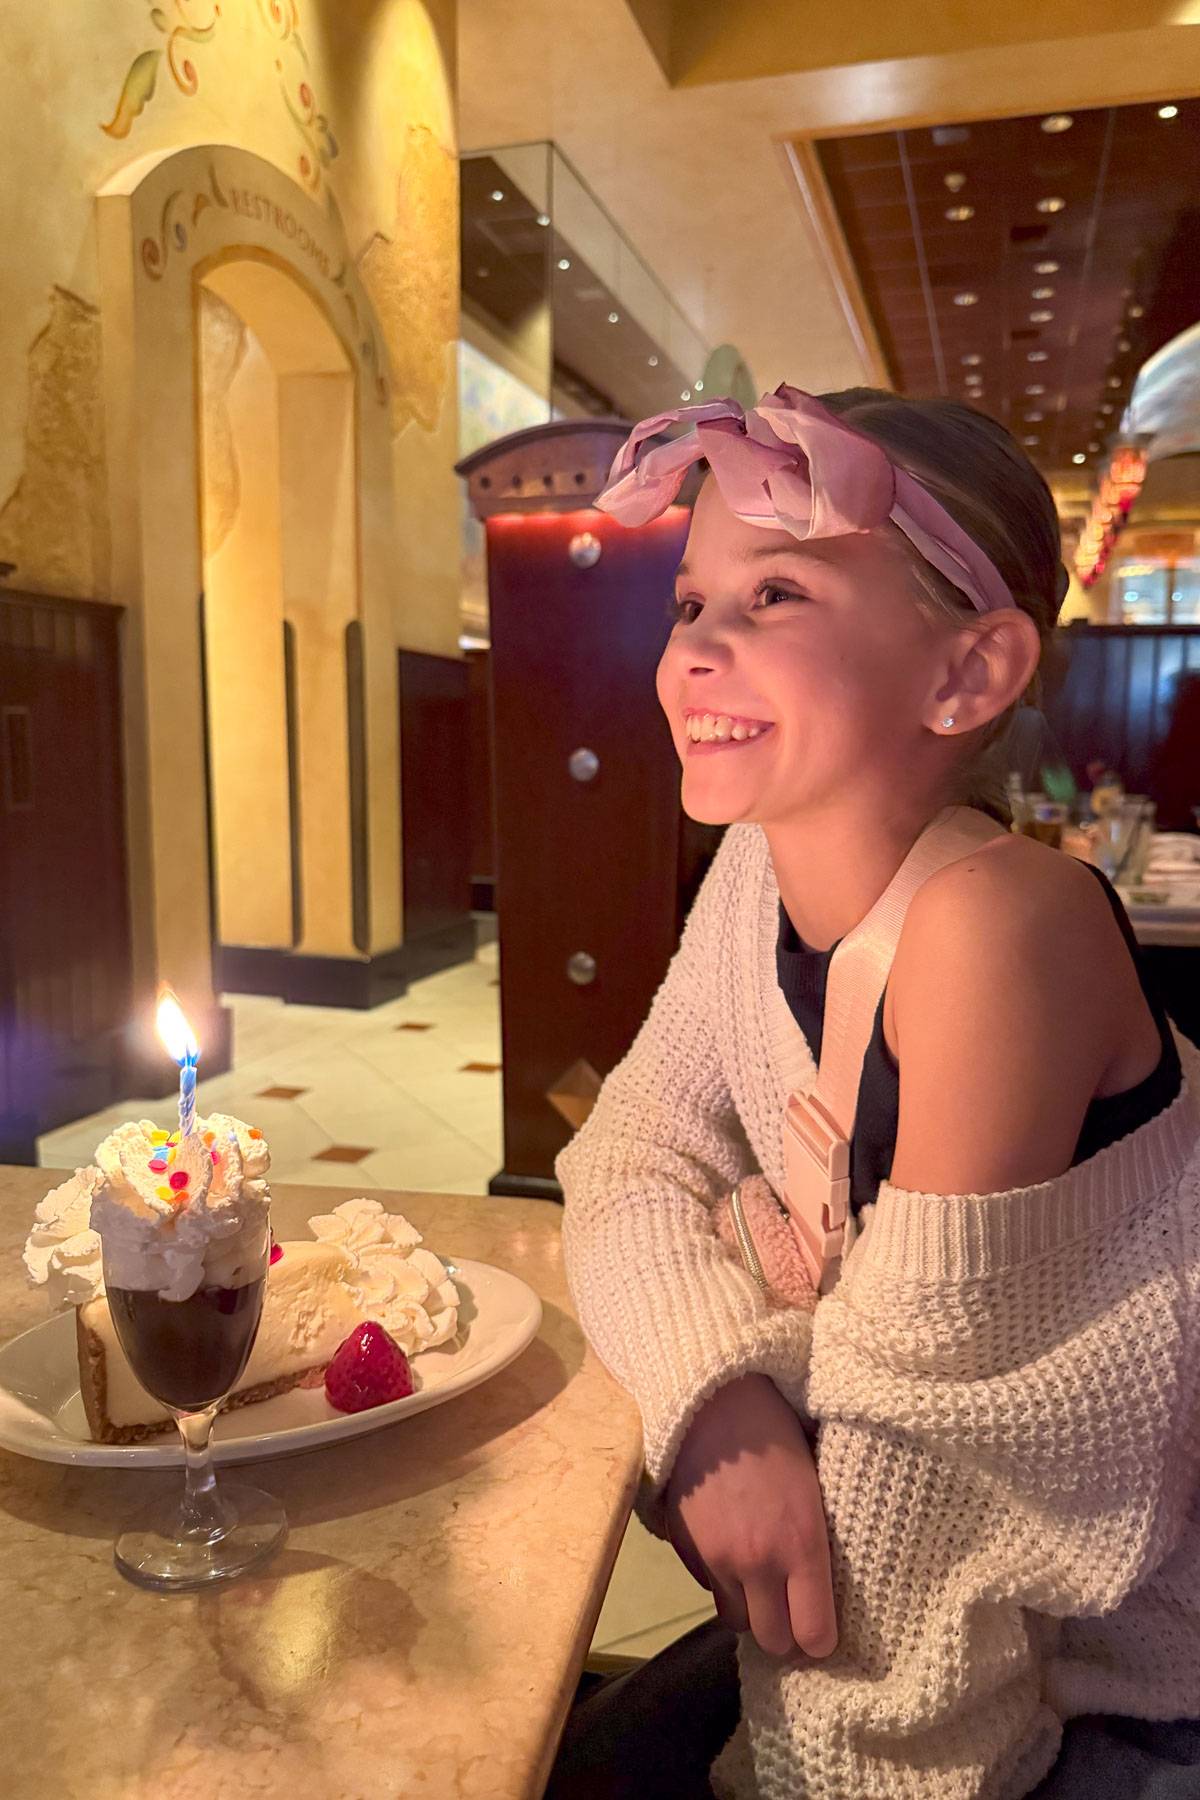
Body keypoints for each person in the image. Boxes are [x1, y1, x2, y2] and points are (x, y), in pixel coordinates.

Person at [549, 387, 1200, 1799]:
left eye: (773, 592)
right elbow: (625, 1155)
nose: (695, 651)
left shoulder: (995, 931)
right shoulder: (755, 875)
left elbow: (909, 1505)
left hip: (1111, 1689)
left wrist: (747, 1261)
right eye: (690, 600)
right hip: (918, 1622)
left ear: (967, 676)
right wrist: (717, 1395)